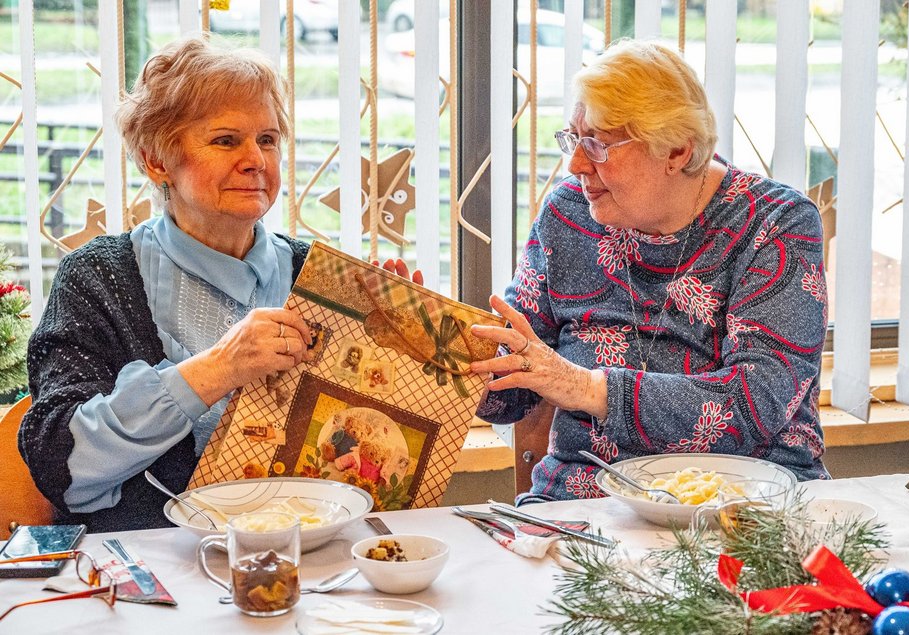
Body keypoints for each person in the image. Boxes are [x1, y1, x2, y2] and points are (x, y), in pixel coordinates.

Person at [19, 37, 417, 532]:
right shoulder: (98, 277)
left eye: (268, 140)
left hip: (314, 558)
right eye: (227, 140)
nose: (257, 160)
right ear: (156, 160)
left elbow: (364, 444)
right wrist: (217, 369)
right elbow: (62, 466)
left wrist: (408, 348)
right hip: (159, 572)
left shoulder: (318, 276)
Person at [471, 40, 830, 504]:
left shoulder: (775, 224)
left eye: (598, 144)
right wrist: (423, 341)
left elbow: (753, 403)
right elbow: (509, 389)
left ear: (677, 151)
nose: (576, 164)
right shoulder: (569, 215)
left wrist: (583, 386)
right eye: (574, 139)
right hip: (584, 509)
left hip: (741, 506)